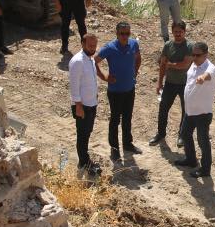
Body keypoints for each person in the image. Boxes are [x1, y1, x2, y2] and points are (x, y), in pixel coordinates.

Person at [96, 21, 143, 162]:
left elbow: (138, 57)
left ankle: (127, 144)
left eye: (127, 33)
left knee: (127, 118)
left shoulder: (134, 44)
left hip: (130, 89)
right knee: (115, 119)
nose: (124, 36)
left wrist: (135, 72)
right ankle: (114, 148)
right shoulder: (110, 48)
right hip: (115, 91)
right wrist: (104, 77)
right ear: (117, 34)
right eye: (122, 33)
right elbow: (94, 61)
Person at [176, 41, 215, 180]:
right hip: (190, 111)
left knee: (203, 141)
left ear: (206, 54)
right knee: (185, 134)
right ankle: (191, 160)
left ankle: (205, 169)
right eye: (192, 54)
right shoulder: (194, 64)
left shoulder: (210, 68)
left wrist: (202, 77)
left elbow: (208, 75)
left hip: (203, 113)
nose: (194, 57)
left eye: (197, 55)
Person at [148, 21, 192, 146]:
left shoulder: (189, 46)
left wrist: (169, 64)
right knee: (163, 109)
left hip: (185, 84)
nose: (178, 34)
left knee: (185, 111)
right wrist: (159, 82)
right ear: (172, 32)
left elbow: (185, 64)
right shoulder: (168, 45)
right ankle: (160, 134)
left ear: (184, 32)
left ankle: (182, 136)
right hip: (170, 83)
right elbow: (162, 65)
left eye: (180, 31)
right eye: (175, 31)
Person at [68, 33, 101, 172]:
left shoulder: (90, 59)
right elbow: (74, 86)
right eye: (90, 45)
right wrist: (79, 106)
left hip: (91, 104)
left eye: (94, 46)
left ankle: (84, 158)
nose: (93, 48)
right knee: (82, 134)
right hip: (83, 106)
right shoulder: (77, 61)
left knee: (87, 132)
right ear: (82, 44)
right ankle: (84, 162)